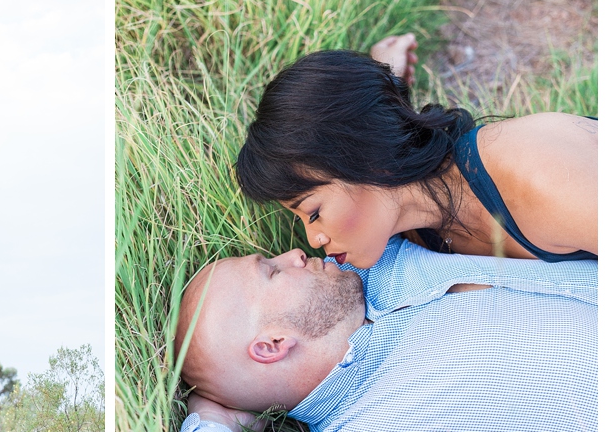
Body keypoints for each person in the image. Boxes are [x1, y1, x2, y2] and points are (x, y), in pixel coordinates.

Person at [172, 237, 596, 432]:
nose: (294, 254)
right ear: (272, 344)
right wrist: (211, 422)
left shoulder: (375, 254)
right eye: (272, 271)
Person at [235, 34, 597, 269]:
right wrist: (386, 72)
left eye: (313, 213)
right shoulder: (405, 219)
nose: (314, 240)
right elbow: (360, 122)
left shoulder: (537, 172)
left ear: (371, 161)